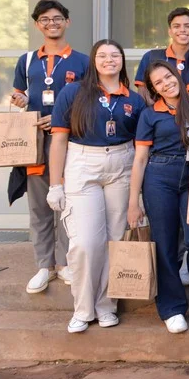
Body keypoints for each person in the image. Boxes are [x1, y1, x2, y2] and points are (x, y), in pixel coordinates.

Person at [47, 40, 145, 333]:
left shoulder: (134, 99)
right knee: (86, 242)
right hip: (82, 164)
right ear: (93, 61)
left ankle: (106, 306)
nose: (109, 60)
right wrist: (55, 183)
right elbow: (59, 140)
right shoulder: (73, 92)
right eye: (102, 55)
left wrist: (137, 196)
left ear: (123, 61)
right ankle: (83, 308)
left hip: (121, 163)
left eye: (115, 55)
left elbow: (142, 148)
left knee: (115, 239)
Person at [127, 61, 189, 333]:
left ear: (176, 75)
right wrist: (134, 201)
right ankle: (172, 309)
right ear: (153, 89)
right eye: (158, 82)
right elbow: (140, 158)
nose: (166, 83)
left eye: (168, 76)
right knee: (165, 242)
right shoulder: (149, 114)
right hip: (159, 176)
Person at [11, 0, 90, 295]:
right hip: (36, 143)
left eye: (57, 18)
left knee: (68, 204)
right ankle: (44, 265)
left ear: (67, 22)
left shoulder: (83, 61)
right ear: (37, 25)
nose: (51, 24)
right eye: (45, 19)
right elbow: (20, 95)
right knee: (40, 205)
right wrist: (19, 102)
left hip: (70, 141)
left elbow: (88, 101)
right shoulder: (28, 61)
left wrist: (59, 118)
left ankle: (65, 262)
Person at [134, 7, 189, 103]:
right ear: (170, 31)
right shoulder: (151, 57)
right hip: (160, 115)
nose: (182, 30)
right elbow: (143, 94)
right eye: (176, 26)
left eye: (187, 26)